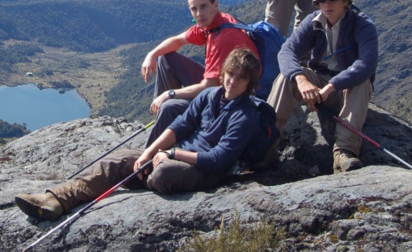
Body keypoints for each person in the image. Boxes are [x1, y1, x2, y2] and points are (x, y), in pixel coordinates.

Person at [15, 49, 262, 221]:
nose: (233, 81)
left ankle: (145, 176)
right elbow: (179, 127)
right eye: (231, 74)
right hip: (172, 157)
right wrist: (147, 153)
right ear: (224, 72)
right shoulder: (210, 95)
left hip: (205, 171)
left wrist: (172, 154)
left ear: (249, 83)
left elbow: (220, 159)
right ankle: (57, 200)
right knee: (120, 160)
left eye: (241, 78)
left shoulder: (246, 115)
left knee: (163, 173)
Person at [266, 0, 378, 173]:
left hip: (344, 92)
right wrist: (301, 80)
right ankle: (265, 143)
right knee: (286, 77)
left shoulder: (363, 24)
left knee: (363, 83)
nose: (327, 4)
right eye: (322, 0)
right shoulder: (313, 22)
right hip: (318, 85)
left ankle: (344, 152)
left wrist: (332, 86)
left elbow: (366, 63)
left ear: (345, 1)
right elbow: (286, 51)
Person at [140, 0, 258, 145]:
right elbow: (177, 41)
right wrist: (151, 54)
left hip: (232, 95)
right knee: (165, 59)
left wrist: (170, 94)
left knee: (170, 106)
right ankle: (163, 121)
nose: (198, 14)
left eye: (203, 7)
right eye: (193, 9)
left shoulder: (223, 37)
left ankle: (147, 159)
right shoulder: (212, 24)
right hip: (218, 83)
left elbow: (209, 87)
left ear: (215, 5)